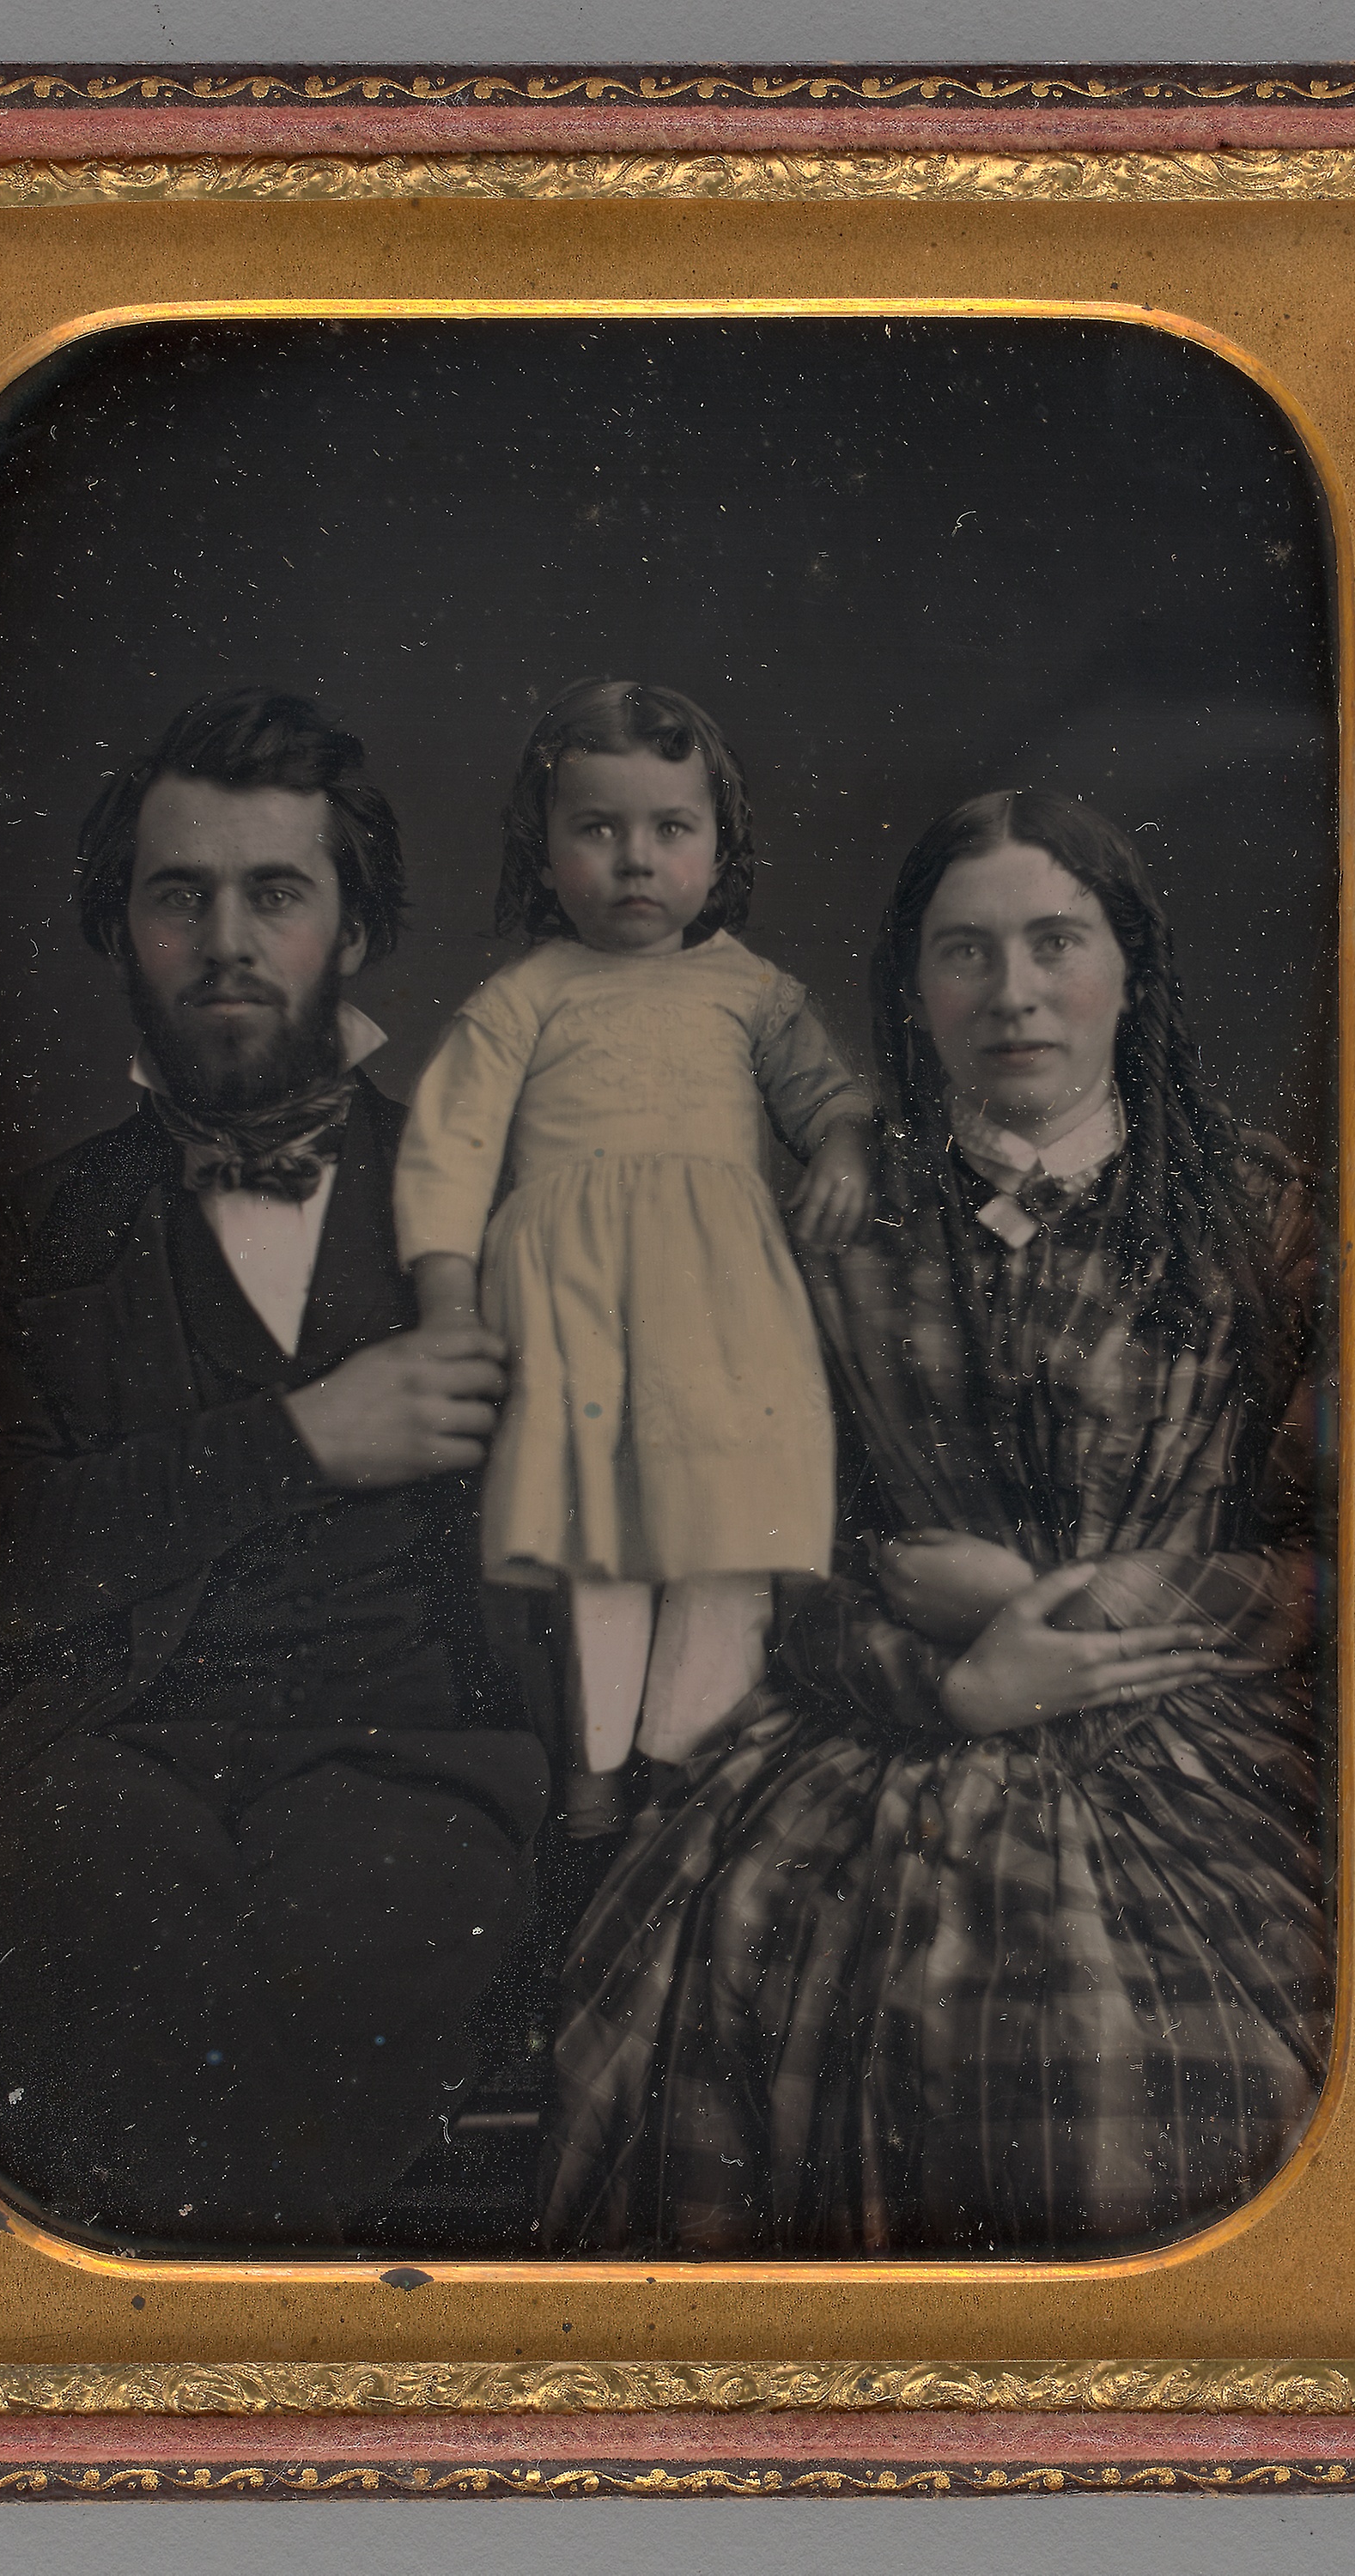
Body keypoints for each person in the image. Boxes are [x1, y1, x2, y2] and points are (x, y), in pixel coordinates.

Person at [538, 788, 1335, 2257]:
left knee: (1198, 2076)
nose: (1014, 993)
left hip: (1189, 1728)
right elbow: (764, 1557)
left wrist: (1094, 1611)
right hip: (876, 1728)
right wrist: (951, 1683)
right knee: (751, 2005)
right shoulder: (830, 1228)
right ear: (912, 987)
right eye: (964, 954)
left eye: (1054, 943)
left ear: (1128, 970)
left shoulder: (1255, 1214)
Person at [0, 688, 550, 2250]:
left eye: (276, 892)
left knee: (354, 1949)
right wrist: (297, 1442)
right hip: (99, 1754)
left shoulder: (495, 1199)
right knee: (83, 1950)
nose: (226, 938)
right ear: (118, 927)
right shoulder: (22, 1234)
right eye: (177, 893)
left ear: (351, 928)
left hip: (408, 1755)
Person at [392, 679, 876, 1840]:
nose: (634, 861)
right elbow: (448, 1144)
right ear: (543, 848)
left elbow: (828, 1097)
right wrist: (448, 1298)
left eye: (671, 829)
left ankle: (686, 1756)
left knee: (725, 1534)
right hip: (581, 1313)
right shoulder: (526, 999)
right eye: (596, 829)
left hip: (720, 1316)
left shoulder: (751, 992)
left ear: (719, 848)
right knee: (599, 1543)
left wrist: (847, 1150)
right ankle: (594, 1768)